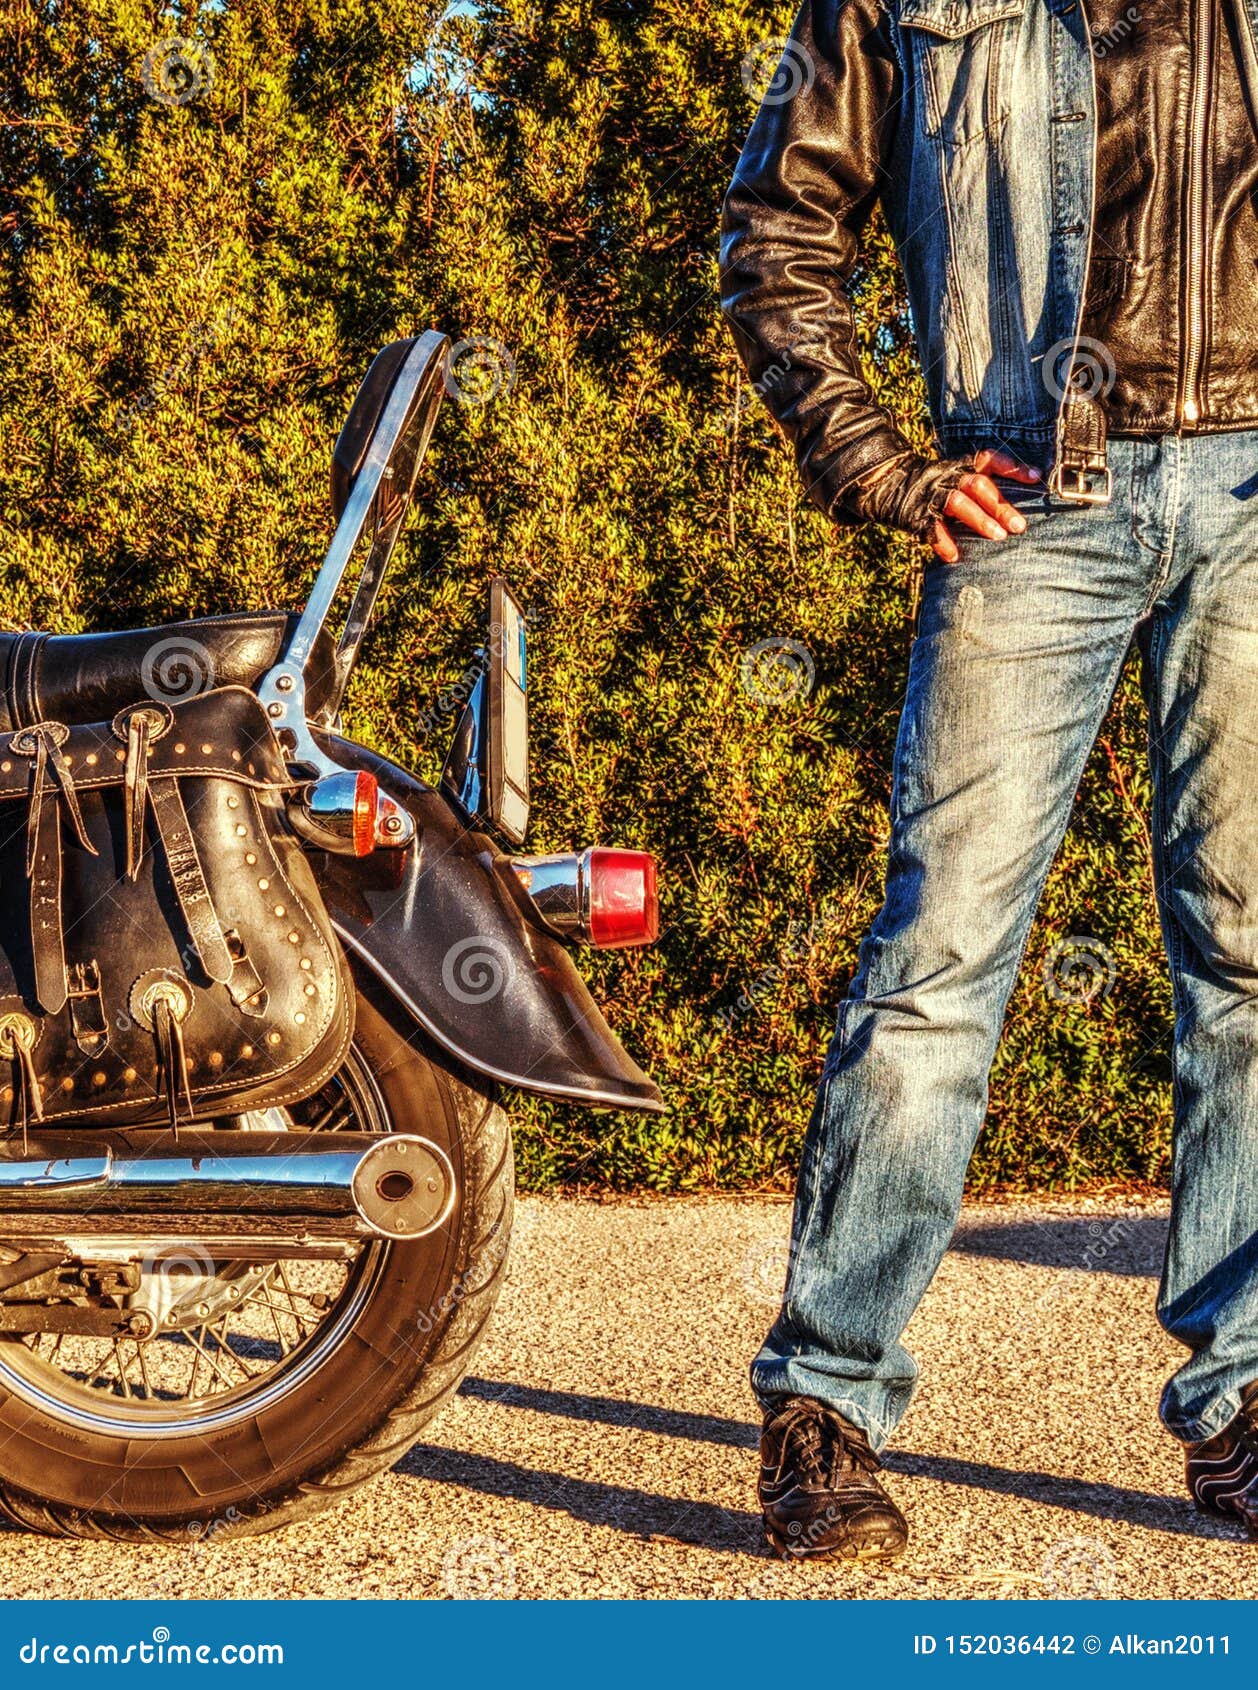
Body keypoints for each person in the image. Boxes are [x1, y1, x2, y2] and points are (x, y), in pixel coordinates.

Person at [720, 0, 1258, 1560]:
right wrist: (881, 466)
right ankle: (823, 1399)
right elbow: (778, 226)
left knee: (1248, 963)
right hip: (1029, 492)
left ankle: (1239, 1403)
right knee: (937, 962)